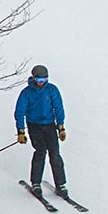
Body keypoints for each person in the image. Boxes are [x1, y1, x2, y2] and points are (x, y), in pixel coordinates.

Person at [14, 64, 69, 198]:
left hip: (49, 125)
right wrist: (21, 131)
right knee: (40, 152)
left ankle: (61, 184)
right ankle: (36, 183)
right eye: (39, 81)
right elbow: (20, 112)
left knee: (55, 154)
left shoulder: (52, 90)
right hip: (34, 126)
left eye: (44, 80)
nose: (42, 83)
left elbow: (59, 108)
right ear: (33, 79)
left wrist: (60, 127)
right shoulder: (27, 93)